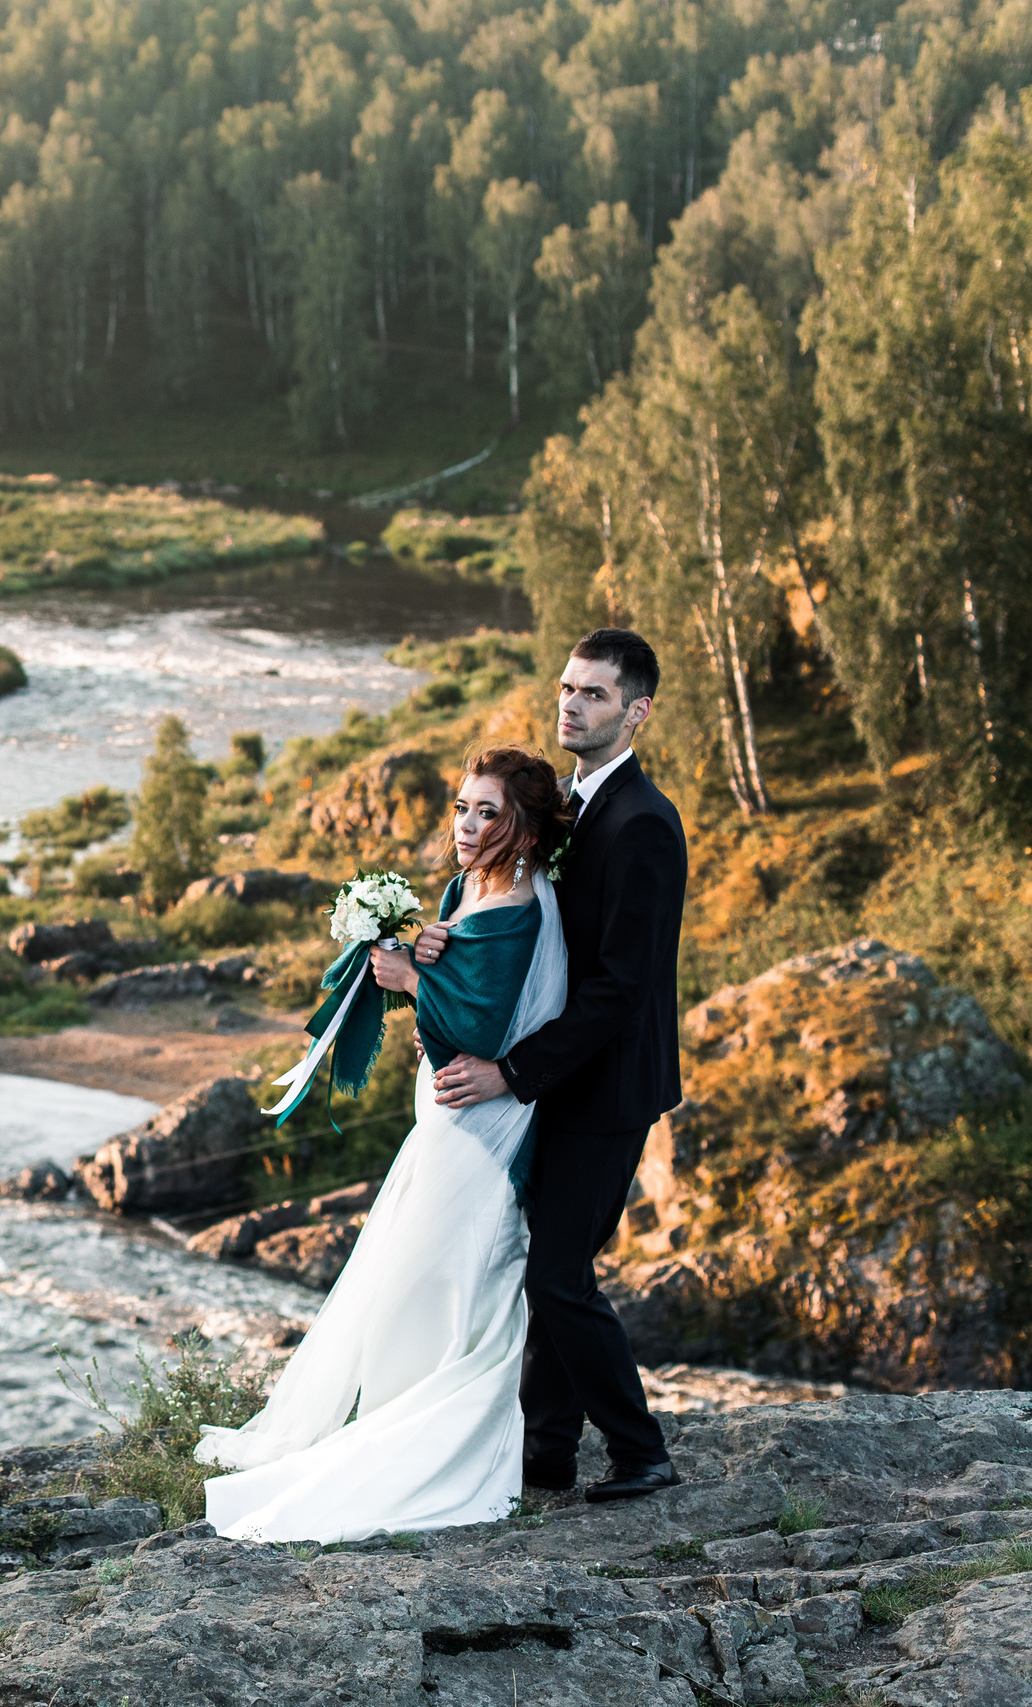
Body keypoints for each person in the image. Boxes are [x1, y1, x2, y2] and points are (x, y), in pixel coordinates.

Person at [193, 745, 572, 1541]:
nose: (467, 826)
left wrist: (407, 979)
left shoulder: (523, 906)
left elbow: (479, 1026)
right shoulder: (470, 884)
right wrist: (424, 950)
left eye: (487, 812)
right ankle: (390, 1412)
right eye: (463, 808)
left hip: (479, 1125)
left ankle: (429, 1434)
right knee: (404, 1260)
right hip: (440, 1105)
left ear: (526, 828)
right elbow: (456, 983)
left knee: (444, 1269)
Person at [421, 627, 686, 1504]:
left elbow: (619, 988)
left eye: (595, 694)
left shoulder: (644, 823)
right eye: (567, 688)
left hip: (604, 1087)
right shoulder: (568, 806)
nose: (571, 703)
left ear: (636, 710)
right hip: (557, 1079)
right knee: (553, 1266)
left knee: (557, 1274)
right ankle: (546, 1453)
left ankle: (641, 1449)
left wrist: (513, 1072)